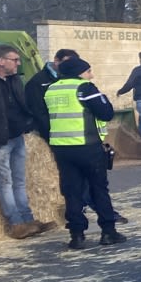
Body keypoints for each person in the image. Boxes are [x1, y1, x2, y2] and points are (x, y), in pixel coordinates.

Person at [38, 58, 125, 249]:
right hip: (87, 146)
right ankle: (108, 232)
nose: (91, 75)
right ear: (79, 73)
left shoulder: (51, 89)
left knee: (71, 191)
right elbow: (106, 113)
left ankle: (76, 235)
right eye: (88, 71)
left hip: (61, 148)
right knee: (98, 188)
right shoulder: (84, 88)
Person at [0, 44, 54, 239]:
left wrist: (26, 124)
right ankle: (16, 224)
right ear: (1, 61)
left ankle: (29, 220)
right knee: (5, 182)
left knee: (19, 181)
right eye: (15, 60)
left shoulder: (14, 79)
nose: (19, 63)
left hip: (16, 135)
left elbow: (21, 104)